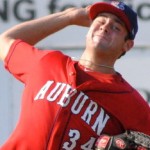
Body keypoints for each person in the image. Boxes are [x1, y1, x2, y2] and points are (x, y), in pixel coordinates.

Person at [0, 1, 150, 150]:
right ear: (89, 29)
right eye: (101, 21)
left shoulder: (131, 103)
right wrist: (69, 16)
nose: (105, 27)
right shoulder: (47, 63)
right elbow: (4, 41)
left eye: (116, 27)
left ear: (127, 45)